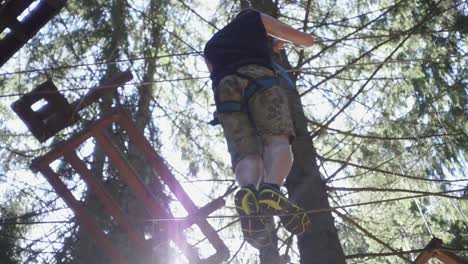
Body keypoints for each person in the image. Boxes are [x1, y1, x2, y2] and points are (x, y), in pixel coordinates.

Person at [204, 9, 315, 248]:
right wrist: (301, 41)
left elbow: (215, 74)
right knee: (277, 141)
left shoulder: (211, 45)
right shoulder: (252, 18)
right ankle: (272, 189)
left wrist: (269, 46)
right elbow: (303, 40)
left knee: (247, 154)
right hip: (259, 79)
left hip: (225, 91)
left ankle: (247, 191)